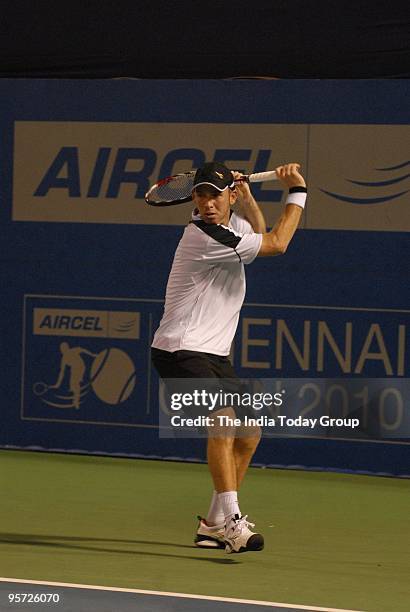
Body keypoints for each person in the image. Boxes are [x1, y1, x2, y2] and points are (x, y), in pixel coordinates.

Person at [151, 161, 306, 553]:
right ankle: (234, 523)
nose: (206, 202)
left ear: (230, 196)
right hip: (180, 348)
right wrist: (297, 192)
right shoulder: (203, 235)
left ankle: (213, 524)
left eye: (214, 194)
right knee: (222, 420)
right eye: (200, 194)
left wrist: (250, 200)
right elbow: (277, 243)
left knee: (249, 433)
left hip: (213, 353)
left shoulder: (229, 227)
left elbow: (257, 234)